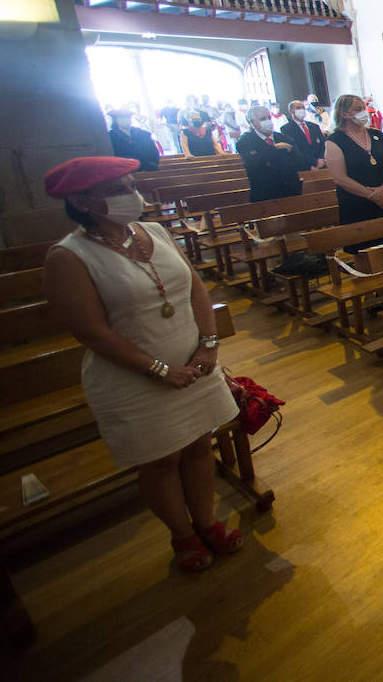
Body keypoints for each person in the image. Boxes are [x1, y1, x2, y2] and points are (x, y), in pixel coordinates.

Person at [42, 156, 242, 572]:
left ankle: (206, 522)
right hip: (133, 377)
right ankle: (182, 534)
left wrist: (208, 347)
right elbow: (92, 333)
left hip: (195, 365)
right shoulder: (69, 256)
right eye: (117, 190)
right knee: (161, 460)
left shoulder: (153, 231)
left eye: (131, 185)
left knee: (198, 446)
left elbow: (196, 291)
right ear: (83, 201)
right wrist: (159, 370)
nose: (131, 196)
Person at [324, 93, 383, 251]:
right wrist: (372, 195)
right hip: (357, 203)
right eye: (357, 109)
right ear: (344, 114)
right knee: (365, 251)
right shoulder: (335, 141)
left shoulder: (377, 135)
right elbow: (340, 178)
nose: (363, 112)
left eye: (363, 108)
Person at [237, 106, 310, 202]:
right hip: (265, 193)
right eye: (263, 119)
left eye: (269, 118)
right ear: (252, 122)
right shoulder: (245, 142)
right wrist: (275, 148)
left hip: (290, 191)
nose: (268, 121)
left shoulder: (284, 138)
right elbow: (254, 162)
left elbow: (299, 161)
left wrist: (269, 161)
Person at [281, 100, 327, 168]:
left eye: (303, 107)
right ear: (291, 111)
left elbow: (323, 145)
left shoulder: (314, 126)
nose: (301, 110)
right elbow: (294, 150)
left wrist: (321, 159)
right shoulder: (286, 129)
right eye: (298, 108)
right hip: (303, 166)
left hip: (321, 164)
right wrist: (314, 162)